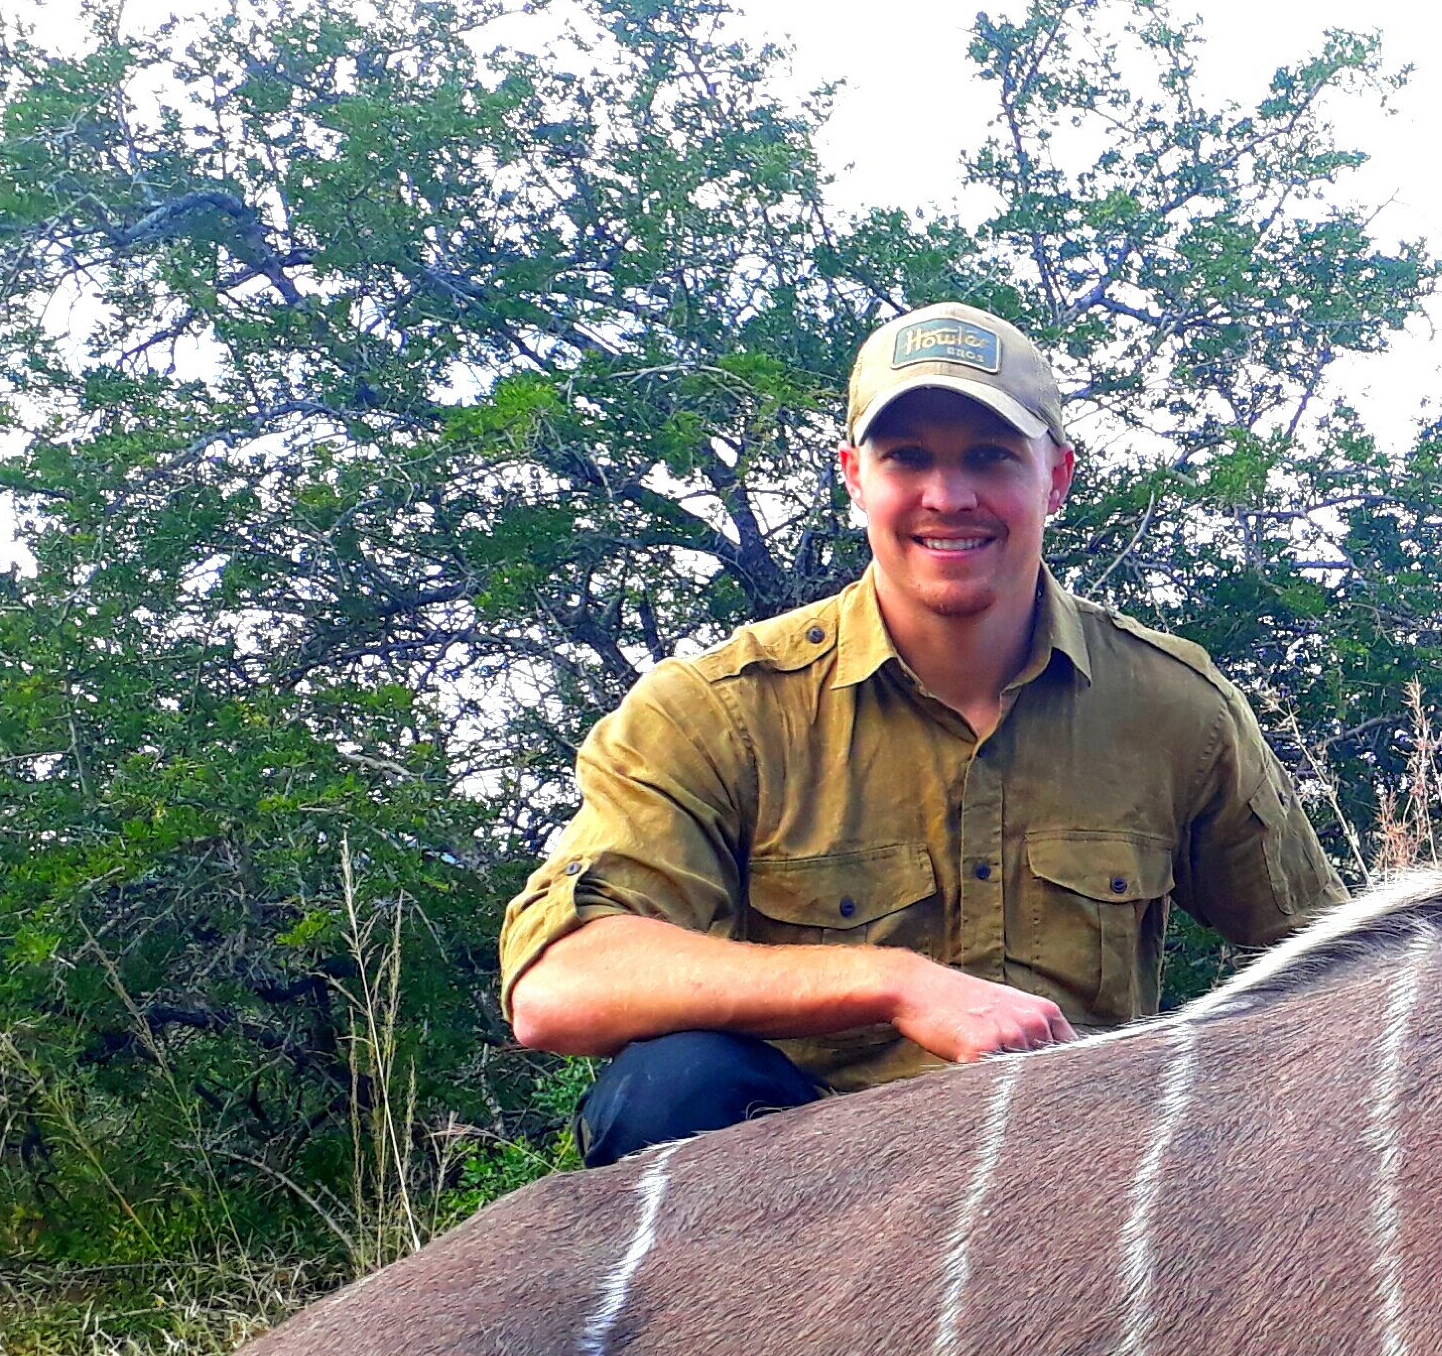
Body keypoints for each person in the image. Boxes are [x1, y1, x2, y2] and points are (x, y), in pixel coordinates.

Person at [500, 303, 1345, 1162]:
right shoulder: (716, 708)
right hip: (806, 1194)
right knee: (671, 1086)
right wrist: (891, 982)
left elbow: (1337, 968)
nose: (949, 497)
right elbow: (560, 983)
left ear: (1056, 478)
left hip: (1087, 1170)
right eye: (908, 458)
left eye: (991, 456)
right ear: (855, 477)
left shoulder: (1176, 706)